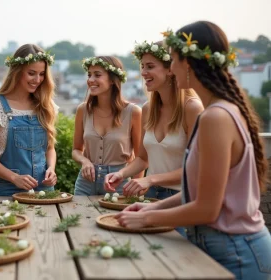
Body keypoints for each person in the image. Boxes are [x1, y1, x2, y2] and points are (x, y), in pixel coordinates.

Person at [115, 21, 271, 279]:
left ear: (187, 64)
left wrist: (146, 220)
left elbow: (207, 209)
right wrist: (151, 208)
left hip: (238, 254)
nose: (172, 68)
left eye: (173, 60)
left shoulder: (215, 117)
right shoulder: (219, 111)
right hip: (226, 250)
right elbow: (196, 191)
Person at [104, 42, 202, 202]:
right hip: (150, 196)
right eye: (142, 66)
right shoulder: (148, 109)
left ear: (170, 69)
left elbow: (195, 167)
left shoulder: (192, 108)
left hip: (181, 198)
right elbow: (143, 159)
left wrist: (150, 179)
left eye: (149, 66)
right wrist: (120, 174)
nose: (143, 72)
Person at [0, 44, 57, 195]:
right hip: (8, 190)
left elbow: (49, 148)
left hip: (45, 190)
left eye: (41, 74)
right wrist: (14, 178)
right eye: (32, 73)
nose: (37, 79)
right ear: (17, 72)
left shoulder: (46, 105)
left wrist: (51, 169)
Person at [72, 56, 142, 195]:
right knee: (78, 217)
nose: (91, 80)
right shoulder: (83, 110)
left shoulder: (133, 112)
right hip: (86, 183)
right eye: (89, 75)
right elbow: (76, 150)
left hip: (119, 183)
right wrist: (84, 161)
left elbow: (141, 158)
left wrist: (136, 190)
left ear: (112, 80)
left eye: (97, 75)